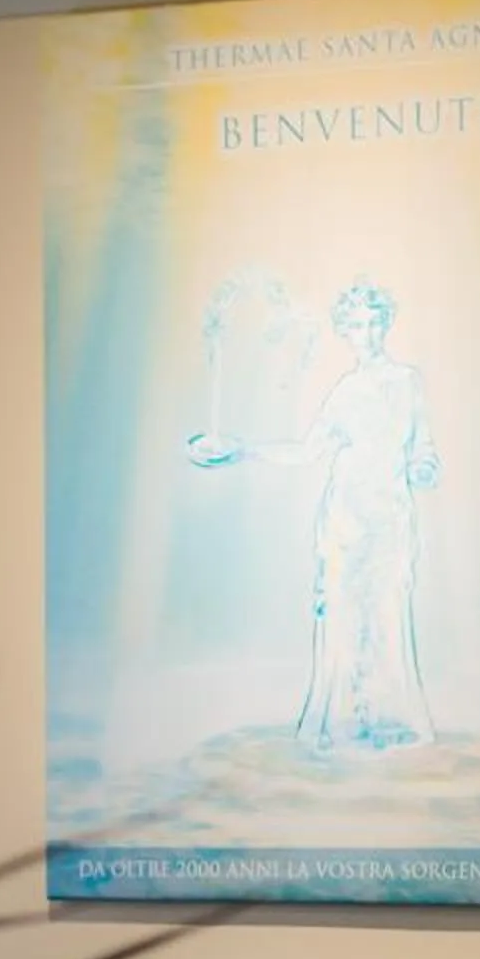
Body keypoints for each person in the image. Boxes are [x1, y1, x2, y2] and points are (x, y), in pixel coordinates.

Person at [187, 279, 443, 752]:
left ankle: (388, 719)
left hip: (391, 518)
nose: (367, 335)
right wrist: (243, 451)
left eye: (373, 324)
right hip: (345, 517)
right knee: (341, 616)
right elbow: (307, 451)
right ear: (345, 331)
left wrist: (424, 467)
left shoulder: (408, 382)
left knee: (388, 615)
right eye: (357, 326)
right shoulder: (345, 392)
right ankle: (339, 723)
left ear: (386, 324)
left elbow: (423, 445)